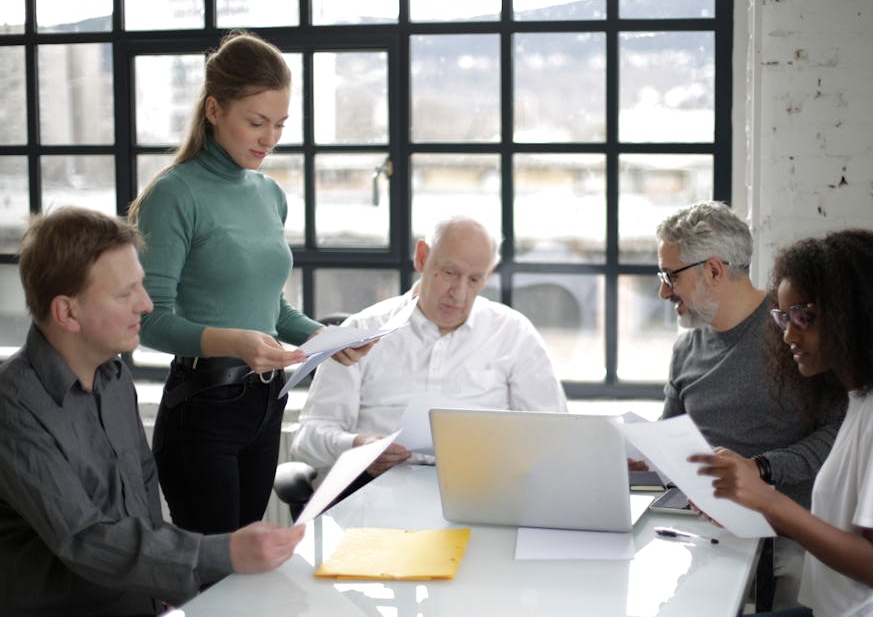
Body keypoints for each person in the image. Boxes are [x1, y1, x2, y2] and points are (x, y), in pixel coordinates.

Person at [0, 207, 304, 616]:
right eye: (126, 293)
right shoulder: (12, 404)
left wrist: (165, 587)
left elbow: (141, 500)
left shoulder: (114, 377)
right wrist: (224, 552)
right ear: (67, 312)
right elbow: (84, 539)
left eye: (141, 286)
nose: (146, 304)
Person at [128, 31, 367, 535]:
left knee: (250, 569)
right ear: (214, 110)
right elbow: (149, 320)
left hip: (266, 401)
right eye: (256, 122)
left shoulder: (270, 194)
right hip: (203, 408)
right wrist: (232, 342)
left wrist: (318, 336)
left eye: (279, 124)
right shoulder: (175, 194)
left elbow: (268, 307)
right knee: (217, 580)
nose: (270, 138)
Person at [693, 229, 873, 616]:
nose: (788, 334)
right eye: (783, 317)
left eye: (803, 317)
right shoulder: (868, 398)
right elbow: (842, 528)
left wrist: (766, 497)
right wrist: (745, 504)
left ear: (856, 315)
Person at [652, 201, 844, 609]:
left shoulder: (794, 334)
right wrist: (643, 455)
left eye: (670, 277)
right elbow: (669, 432)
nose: (663, 291)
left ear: (715, 270)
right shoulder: (686, 346)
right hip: (704, 536)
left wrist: (762, 468)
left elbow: (839, 431)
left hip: (792, 542)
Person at [290, 216, 567, 491]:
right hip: (376, 491)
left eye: (474, 279)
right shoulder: (363, 331)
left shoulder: (514, 334)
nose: (459, 293)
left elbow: (554, 435)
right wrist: (357, 446)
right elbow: (306, 441)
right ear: (422, 257)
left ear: (489, 274)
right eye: (449, 273)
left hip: (481, 491)